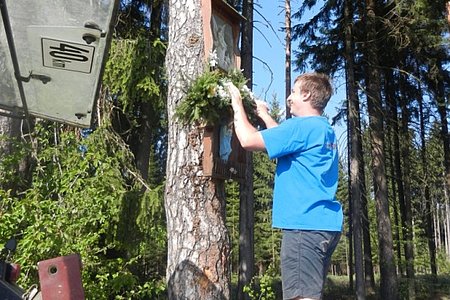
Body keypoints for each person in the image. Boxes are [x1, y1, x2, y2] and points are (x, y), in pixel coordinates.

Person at [226, 72, 343, 300]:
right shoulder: (321, 129)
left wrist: (236, 103)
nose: (289, 98)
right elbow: (286, 139)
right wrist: (264, 115)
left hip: (304, 227)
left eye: (294, 92)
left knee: (301, 297)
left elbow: (248, 140)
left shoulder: (301, 127)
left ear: (307, 95)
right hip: (324, 225)